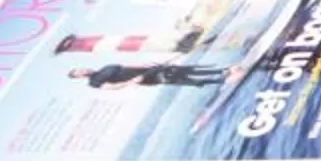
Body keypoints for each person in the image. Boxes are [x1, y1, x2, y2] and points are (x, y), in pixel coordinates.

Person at [66, 61, 229, 90]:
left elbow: (128, 66)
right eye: (78, 74)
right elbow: (112, 87)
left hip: (148, 70)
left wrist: (147, 64)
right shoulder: (94, 81)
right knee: (181, 79)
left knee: (185, 69)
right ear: (80, 77)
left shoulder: (106, 67)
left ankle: (221, 71)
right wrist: (131, 82)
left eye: (79, 69)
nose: (82, 71)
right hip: (146, 79)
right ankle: (219, 80)